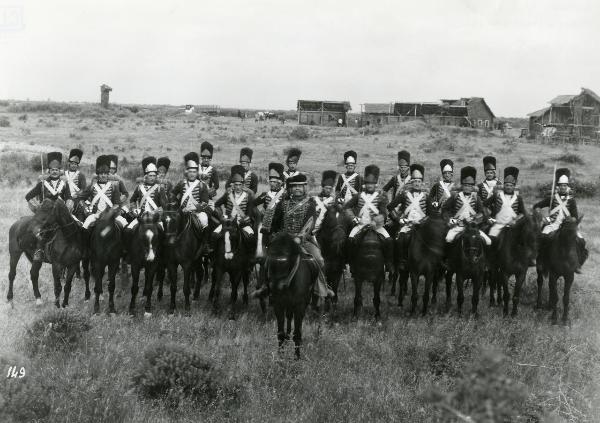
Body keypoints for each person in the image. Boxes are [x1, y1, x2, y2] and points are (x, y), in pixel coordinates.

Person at [256, 173, 333, 299]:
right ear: (290, 188)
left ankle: (322, 288)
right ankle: (264, 286)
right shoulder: (282, 204)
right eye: (294, 186)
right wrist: (270, 231)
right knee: (267, 257)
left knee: (319, 259)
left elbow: (310, 223)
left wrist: (300, 237)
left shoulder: (310, 204)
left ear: (304, 188)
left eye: (300, 186)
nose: (297, 188)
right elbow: (276, 222)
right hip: (283, 239)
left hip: (304, 240)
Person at [533, 168, 587, 272]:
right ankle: (541, 261)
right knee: (542, 239)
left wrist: (571, 219)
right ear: (558, 186)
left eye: (565, 185)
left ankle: (577, 264)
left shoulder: (571, 201)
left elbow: (575, 216)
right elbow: (536, 206)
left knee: (581, 241)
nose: (563, 187)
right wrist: (542, 217)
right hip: (552, 225)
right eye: (561, 185)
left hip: (567, 227)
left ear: (567, 187)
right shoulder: (552, 198)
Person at [344, 164, 394, 272]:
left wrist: (376, 221)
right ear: (365, 184)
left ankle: (388, 263)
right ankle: (350, 263)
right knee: (350, 240)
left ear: (375, 184)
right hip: (360, 225)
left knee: (389, 241)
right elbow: (347, 207)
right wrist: (354, 218)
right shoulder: (358, 195)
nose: (370, 185)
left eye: (372, 183)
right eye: (368, 183)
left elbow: (384, 213)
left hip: (376, 226)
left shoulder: (381, 197)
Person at [25, 151, 73, 262]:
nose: (54, 172)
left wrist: (68, 206)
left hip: (61, 214)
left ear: (59, 171)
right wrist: (37, 207)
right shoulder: (42, 184)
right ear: (49, 171)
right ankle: (39, 251)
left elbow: (70, 198)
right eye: (52, 170)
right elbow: (28, 196)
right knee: (40, 231)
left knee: (76, 225)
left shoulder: (64, 184)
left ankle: (74, 250)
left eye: (56, 170)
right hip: (46, 217)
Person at [387, 164, 429, 270]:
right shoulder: (404, 194)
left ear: (422, 183)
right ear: (411, 182)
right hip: (407, 224)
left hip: (422, 225)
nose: (416, 184)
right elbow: (390, 206)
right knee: (400, 240)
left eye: (419, 181)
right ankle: (402, 261)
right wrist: (399, 219)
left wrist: (423, 221)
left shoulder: (426, 196)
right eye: (414, 181)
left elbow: (433, 213)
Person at [170, 152, 212, 252]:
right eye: (190, 171)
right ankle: (172, 240)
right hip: (183, 211)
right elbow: (172, 194)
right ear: (187, 172)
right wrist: (175, 203)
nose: (192, 174)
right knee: (171, 220)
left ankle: (205, 244)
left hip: (197, 212)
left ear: (197, 173)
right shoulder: (181, 183)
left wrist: (193, 208)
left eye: (194, 172)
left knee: (204, 219)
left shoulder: (202, 185)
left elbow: (204, 202)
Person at [443, 166, 491, 246]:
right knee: (448, 239)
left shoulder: (476, 198)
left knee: (488, 241)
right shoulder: (455, 196)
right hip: (457, 226)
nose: (468, 187)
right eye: (465, 185)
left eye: (470, 185)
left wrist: (475, 220)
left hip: (473, 228)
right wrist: (451, 220)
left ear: (473, 187)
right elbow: (445, 210)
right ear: (462, 185)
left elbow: (482, 212)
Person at [213, 165, 256, 252]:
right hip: (228, 223)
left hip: (242, 224)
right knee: (214, 235)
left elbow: (250, 214)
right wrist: (222, 216)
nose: (238, 187)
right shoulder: (228, 195)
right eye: (236, 185)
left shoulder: (248, 197)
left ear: (243, 185)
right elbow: (217, 204)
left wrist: (243, 220)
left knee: (251, 237)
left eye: (240, 185)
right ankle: (213, 258)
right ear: (232, 185)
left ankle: (250, 259)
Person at [79, 155, 127, 230]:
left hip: (110, 215)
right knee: (84, 228)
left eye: (105, 174)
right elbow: (81, 199)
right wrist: (86, 208)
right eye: (101, 174)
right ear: (98, 175)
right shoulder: (92, 186)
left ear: (108, 174)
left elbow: (117, 204)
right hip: (95, 215)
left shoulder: (114, 187)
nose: (103, 176)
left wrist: (111, 213)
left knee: (125, 225)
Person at [126, 156, 168, 233]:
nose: (152, 178)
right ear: (146, 176)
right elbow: (132, 200)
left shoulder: (160, 188)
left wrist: (158, 211)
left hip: (155, 217)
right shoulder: (139, 188)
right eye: (150, 175)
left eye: (154, 176)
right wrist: (135, 209)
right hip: (142, 216)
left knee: (163, 232)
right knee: (128, 230)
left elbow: (164, 205)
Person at [485, 166, 526, 240]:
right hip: (498, 225)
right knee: (490, 241)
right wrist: (488, 218)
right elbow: (484, 205)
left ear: (514, 186)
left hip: (512, 227)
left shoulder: (518, 198)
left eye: (511, 185)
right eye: (507, 185)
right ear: (504, 185)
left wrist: (515, 220)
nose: (509, 187)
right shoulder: (497, 195)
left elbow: (523, 213)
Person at [255, 162, 286, 235]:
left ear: (280, 182)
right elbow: (253, 203)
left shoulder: (285, 195)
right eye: (271, 181)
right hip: (266, 226)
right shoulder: (265, 195)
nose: (272, 184)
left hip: (279, 226)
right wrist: (260, 212)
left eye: (274, 182)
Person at [313, 170, 338, 235]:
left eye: (330, 188)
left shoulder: (333, 201)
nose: (328, 190)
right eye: (326, 188)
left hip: (326, 228)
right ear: (323, 187)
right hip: (313, 226)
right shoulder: (314, 199)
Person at [64, 148, 87, 215]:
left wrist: (76, 195)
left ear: (77, 165)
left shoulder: (81, 175)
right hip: (65, 196)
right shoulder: (64, 174)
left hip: (76, 197)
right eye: (72, 163)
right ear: (69, 164)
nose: (73, 165)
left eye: (75, 164)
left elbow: (83, 189)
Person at [198, 141, 219, 210]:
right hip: (196, 194)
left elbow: (217, 185)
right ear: (202, 158)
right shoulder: (196, 168)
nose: (206, 160)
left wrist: (210, 191)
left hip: (207, 196)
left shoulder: (213, 170)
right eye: (204, 158)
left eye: (208, 158)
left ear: (210, 159)